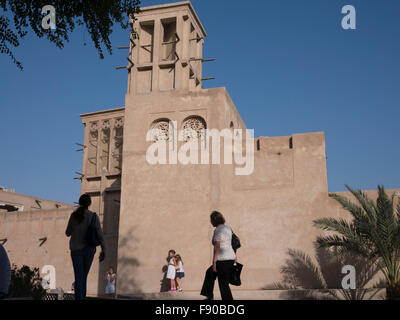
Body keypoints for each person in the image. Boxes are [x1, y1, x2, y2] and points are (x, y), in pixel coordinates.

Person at [65, 194, 106, 300]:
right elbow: (100, 234)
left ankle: (79, 298)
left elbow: (67, 233)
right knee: (83, 277)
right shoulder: (93, 216)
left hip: (76, 249)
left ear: (79, 202)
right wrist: (104, 249)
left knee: (79, 277)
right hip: (89, 250)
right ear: (89, 204)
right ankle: (81, 297)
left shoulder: (74, 216)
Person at [200, 211, 236, 300]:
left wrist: (214, 262)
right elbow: (234, 243)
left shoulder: (218, 230)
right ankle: (209, 295)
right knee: (210, 273)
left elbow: (217, 246)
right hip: (230, 257)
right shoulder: (228, 228)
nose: (210, 222)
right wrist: (235, 256)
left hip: (222, 259)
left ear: (214, 220)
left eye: (211, 220)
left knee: (223, 283)